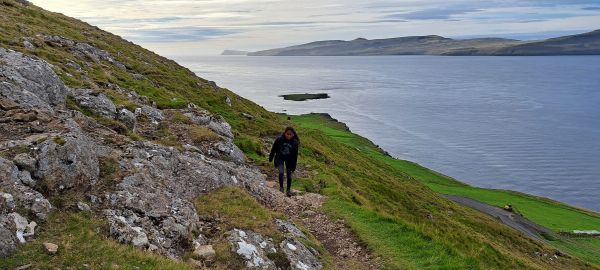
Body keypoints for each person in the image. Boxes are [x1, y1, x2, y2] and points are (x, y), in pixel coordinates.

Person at [269, 126, 300, 197]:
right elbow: (274, 148)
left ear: (293, 135)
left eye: (290, 134)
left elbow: (295, 155)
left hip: (289, 159)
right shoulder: (279, 139)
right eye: (287, 134)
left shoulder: (295, 143)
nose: (288, 136)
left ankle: (288, 190)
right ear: (284, 133)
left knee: (289, 176)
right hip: (280, 158)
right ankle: (281, 188)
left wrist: (294, 166)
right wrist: (271, 157)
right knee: (281, 172)